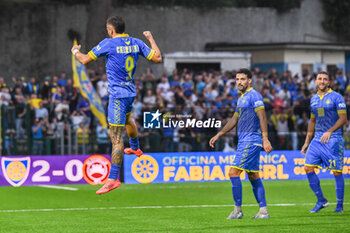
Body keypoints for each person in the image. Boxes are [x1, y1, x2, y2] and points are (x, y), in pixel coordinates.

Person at [71, 16, 161, 194]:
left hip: (117, 97)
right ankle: (135, 147)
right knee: (129, 121)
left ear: (111, 30)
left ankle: (112, 179)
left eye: (108, 29)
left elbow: (84, 60)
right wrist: (150, 38)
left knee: (117, 139)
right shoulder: (136, 42)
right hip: (130, 93)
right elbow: (157, 57)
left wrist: (74, 51)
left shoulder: (109, 43)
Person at [209, 68, 272, 219]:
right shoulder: (242, 98)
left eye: (242, 79)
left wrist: (265, 138)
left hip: (251, 140)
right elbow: (234, 119)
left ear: (249, 80)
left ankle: (238, 210)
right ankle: (263, 211)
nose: (239, 82)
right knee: (253, 175)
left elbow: (262, 117)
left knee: (233, 172)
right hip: (245, 140)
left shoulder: (254, 95)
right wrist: (220, 133)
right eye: (237, 79)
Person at [301, 71, 347, 213]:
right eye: (320, 79)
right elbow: (312, 120)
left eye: (325, 79)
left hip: (333, 139)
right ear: (315, 81)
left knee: (336, 172)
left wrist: (330, 131)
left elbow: (343, 118)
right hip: (317, 139)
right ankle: (321, 200)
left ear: (329, 82)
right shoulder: (314, 99)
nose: (322, 81)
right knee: (308, 167)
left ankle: (339, 206)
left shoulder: (336, 97)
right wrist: (306, 141)